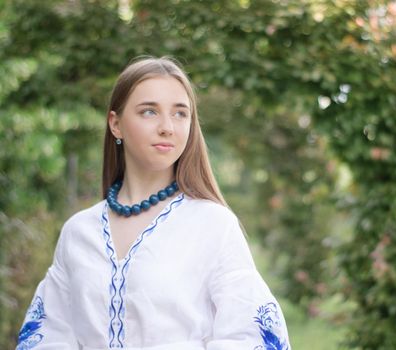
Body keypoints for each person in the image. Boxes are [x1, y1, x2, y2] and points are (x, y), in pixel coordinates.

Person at [16, 57, 291, 350]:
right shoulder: (78, 232)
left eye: (180, 113)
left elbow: (246, 336)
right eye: (149, 111)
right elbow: (47, 335)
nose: (167, 127)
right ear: (116, 124)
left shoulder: (213, 225)